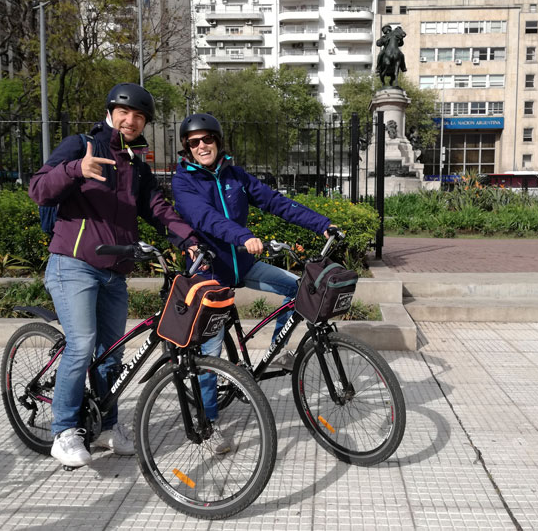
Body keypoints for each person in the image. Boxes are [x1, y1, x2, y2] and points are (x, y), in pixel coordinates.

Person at [28, 83, 199, 468]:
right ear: (110, 112)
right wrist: (75, 169)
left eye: (139, 116)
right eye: (124, 112)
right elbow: (38, 189)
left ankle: (107, 427)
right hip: (73, 264)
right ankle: (64, 431)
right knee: (82, 344)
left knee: (111, 356)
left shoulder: (137, 166)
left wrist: (187, 239)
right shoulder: (82, 145)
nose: (131, 120)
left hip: (115, 271)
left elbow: (157, 207)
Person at [171, 113, 334, 450]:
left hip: (243, 265)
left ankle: (278, 351)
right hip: (210, 273)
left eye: (208, 139)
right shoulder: (183, 181)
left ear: (218, 141)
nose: (202, 146)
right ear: (187, 148)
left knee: (298, 286)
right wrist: (243, 236)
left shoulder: (235, 175)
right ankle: (209, 423)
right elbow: (205, 218)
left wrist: (321, 224)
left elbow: (276, 202)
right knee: (210, 354)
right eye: (194, 142)